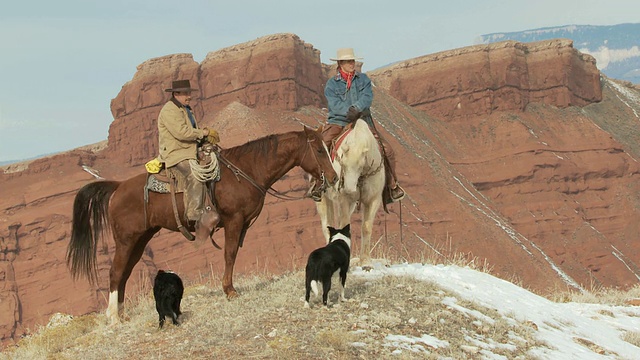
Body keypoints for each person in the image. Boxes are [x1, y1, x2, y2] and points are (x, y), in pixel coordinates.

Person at [310, 48, 405, 202]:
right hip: (338, 122)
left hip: (362, 121)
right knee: (322, 146)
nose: (351, 64)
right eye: (348, 61)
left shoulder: (363, 80)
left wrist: (357, 109)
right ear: (340, 64)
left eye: (352, 61)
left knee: (387, 150)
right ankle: (318, 183)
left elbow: (367, 97)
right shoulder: (332, 85)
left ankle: (391, 186)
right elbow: (334, 104)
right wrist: (349, 112)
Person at [157, 79, 221, 241]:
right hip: (176, 154)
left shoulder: (185, 109)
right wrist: (203, 133)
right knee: (195, 174)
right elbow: (182, 133)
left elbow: (191, 132)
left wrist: (204, 142)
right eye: (186, 93)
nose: (189, 96)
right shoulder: (169, 111)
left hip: (189, 150)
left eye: (189, 93)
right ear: (176, 94)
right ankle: (194, 214)